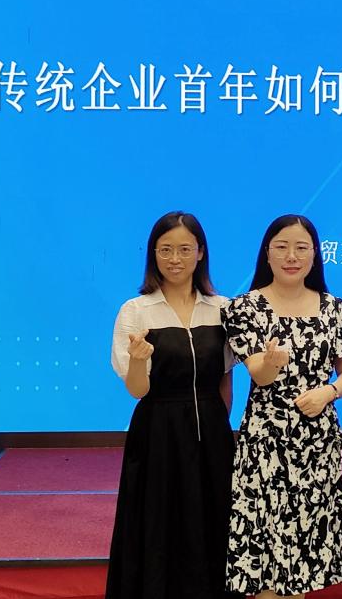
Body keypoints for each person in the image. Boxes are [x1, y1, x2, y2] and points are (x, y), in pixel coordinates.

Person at [223, 214, 342, 598]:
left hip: (317, 444)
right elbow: (259, 375)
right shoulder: (244, 308)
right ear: (267, 253)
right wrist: (272, 362)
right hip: (266, 442)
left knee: (303, 556)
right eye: (281, 247)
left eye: (301, 247)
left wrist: (329, 392)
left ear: (315, 255)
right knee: (266, 553)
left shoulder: (338, 310)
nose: (291, 256)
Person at [106, 211, 235, 599]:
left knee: (212, 519)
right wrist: (139, 360)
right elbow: (137, 389)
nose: (174, 259)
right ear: (153, 254)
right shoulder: (136, 311)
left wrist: (218, 429)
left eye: (184, 249)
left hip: (212, 430)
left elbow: (225, 378)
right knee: (157, 523)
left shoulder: (223, 308)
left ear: (200, 253)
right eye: (165, 250)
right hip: (157, 433)